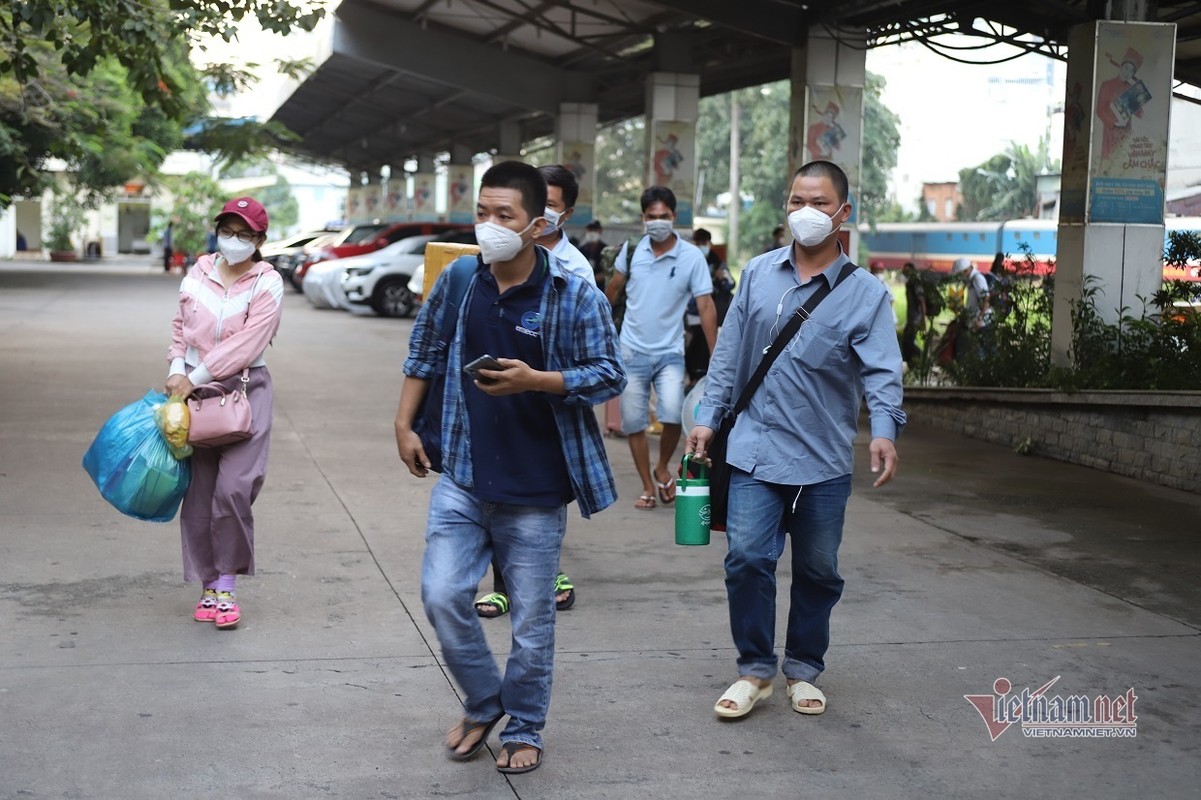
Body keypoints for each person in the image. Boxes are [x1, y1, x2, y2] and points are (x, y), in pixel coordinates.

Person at [393, 161, 625, 774]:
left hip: (536, 487)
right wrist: (403, 424)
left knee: (530, 622)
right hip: (465, 475)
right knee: (442, 594)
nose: (489, 226)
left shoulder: (574, 294)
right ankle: (483, 700)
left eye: (505, 216)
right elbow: (426, 347)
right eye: (482, 213)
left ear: (538, 224)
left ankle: (524, 726)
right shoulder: (462, 279)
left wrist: (538, 380)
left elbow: (608, 374)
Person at [686, 160, 904, 720]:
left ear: (843, 213)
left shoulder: (866, 294)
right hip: (755, 451)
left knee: (818, 570)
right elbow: (730, 352)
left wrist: (883, 432)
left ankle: (804, 668)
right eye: (796, 202)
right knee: (746, 559)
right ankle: (755, 670)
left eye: (820, 203)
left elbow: (882, 371)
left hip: (823, 460)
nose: (806, 213)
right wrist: (708, 418)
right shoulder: (758, 273)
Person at [472, 164, 595, 619]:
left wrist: (541, 379)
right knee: (495, 492)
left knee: (540, 499)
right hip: (495, 397)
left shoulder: (574, 270)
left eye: (550, 205)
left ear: (558, 215)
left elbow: (592, 354)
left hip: (547, 403)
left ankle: (545, 570)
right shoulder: (483, 262)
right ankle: (504, 581)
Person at [166, 197, 283, 630]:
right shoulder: (199, 271)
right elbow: (180, 327)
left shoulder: (267, 282)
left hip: (246, 390)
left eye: (244, 234)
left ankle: (228, 586)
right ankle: (208, 585)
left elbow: (247, 345)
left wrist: (193, 374)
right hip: (194, 392)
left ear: (259, 240)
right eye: (228, 231)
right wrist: (177, 369)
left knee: (234, 489)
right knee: (200, 493)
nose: (234, 240)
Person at [604, 186, 716, 510]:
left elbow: (705, 305)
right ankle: (646, 486)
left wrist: (718, 356)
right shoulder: (632, 250)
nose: (657, 222)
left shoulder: (691, 257)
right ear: (643, 218)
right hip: (631, 350)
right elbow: (612, 289)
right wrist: (598, 325)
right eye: (651, 217)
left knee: (671, 415)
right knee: (634, 423)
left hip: (670, 352)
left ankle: (662, 466)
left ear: (674, 217)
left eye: (663, 216)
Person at [685, 228, 735, 384]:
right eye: (698, 243)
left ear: (710, 243)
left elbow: (731, 283)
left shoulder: (716, 261)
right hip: (691, 314)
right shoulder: (688, 259)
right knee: (692, 346)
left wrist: (721, 278)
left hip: (710, 312)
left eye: (704, 243)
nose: (701, 246)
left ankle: (701, 378)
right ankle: (693, 377)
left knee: (704, 344)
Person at [900, 261, 928, 365]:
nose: (904, 272)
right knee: (906, 342)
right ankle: (913, 362)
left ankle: (922, 358)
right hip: (911, 318)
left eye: (906, 270)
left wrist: (923, 319)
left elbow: (921, 301)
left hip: (915, 319)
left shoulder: (915, 283)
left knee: (908, 342)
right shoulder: (910, 283)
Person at [579, 220, 607, 286]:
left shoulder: (606, 251)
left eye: (595, 230)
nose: (592, 232)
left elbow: (610, 272)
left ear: (600, 231)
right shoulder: (580, 251)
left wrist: (594, 278)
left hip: (601, 288)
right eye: (590, 230)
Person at [870, 262, 897, 327]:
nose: (878, 273)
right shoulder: (869, 283)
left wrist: (887, 314)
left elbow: (891, 299)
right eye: (876, 270)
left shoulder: (884, 284)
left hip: (885, 317)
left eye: (880, 270)